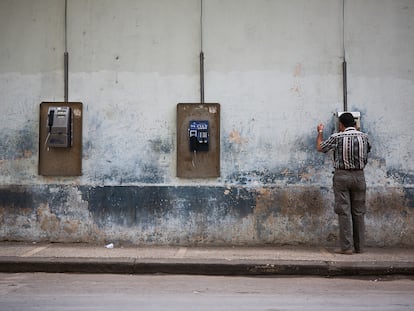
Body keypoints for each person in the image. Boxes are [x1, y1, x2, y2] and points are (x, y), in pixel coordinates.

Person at [316, 113, 371, 255]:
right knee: (359, 212)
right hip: (359, 176)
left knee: (344, 212)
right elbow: (367, 151)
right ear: (355, 123)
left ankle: (347, 247)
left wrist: (320, 132)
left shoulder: (337, 137)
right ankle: (360, 247)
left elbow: (320, 148)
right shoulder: (364, 137)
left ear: (341, 124)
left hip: (342, 176)